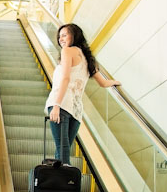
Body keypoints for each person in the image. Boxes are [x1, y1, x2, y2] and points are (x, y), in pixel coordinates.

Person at [44, 24, 119, 165]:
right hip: (76, 111)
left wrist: (56, 105)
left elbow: (65, 78)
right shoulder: (87, 58)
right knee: (63, 150)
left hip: (61, 104)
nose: (61, 39)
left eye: (65, 35)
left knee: (62, 150)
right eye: (59, 36)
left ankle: (63, 184)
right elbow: (103, 83)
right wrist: (116, 82)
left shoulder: (67, 51)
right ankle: (60, 183)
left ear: (75, 35)